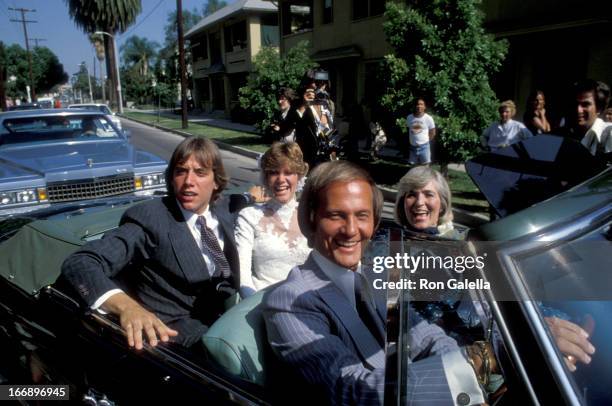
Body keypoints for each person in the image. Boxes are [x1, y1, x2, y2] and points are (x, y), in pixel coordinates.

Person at [263, 160, 495, 405]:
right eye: (335, 215)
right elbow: (350, 390)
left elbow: (427, 338)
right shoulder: (290, 300)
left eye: (362, 215)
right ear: (311, 219)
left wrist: (465, 387)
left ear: (374, 222)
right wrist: (472, 365)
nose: (351, 230)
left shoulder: (376, 276)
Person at [61, 137, 239, 350]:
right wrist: (127, 306)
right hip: (182, 337)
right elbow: (81, 262)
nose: (188, 181)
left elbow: (246, 200)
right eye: (181, 171)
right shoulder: (149, 219)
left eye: (200, 173)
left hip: (233, 317)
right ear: (172, 178)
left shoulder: (227, 209)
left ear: (216, 181)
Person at [235, 142, 310, 298]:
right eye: (274, 173)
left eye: (288, 172)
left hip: (311, 301)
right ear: (265, 177)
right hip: (264, 301)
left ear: (299, 176)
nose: (281, 179)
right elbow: (244, 278)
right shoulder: (249, 216)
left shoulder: (312, 215)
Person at [394, 166, 461, 239]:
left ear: (442, 204)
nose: (419, 202)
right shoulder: (389, 241)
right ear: (402, 203)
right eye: (412, 195)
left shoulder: (457, 245)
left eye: (429, 195)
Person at [560, 79, 612, 157]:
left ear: (599, 108)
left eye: (585, 104)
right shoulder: (560, 134)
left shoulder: (608, 133)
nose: (578, 110)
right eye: (574, 104)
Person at [294, 86, 333, 169]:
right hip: (309, 156)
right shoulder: (304, 106)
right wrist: (305, 104)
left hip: (327, 155)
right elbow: (295, 121)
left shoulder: (329, 106)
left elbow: (331, 128)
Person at [406, 98, 436, 165]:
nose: (419, 106)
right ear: (415, 106)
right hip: (412, 147)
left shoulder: (428, 118)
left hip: (424, 147)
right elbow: (409, 129)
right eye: (417, 104)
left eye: (421, 104)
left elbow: (433, 132)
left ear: (424, 107)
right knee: (413, 169)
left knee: (425, 168)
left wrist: (425, 141)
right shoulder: (409, 117)